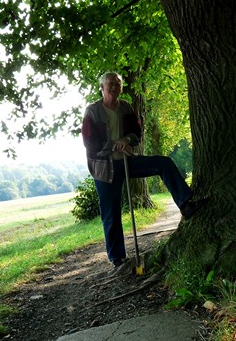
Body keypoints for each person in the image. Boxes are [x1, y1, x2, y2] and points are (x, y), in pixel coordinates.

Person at [81, 71, 207, 267]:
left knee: (163, 163)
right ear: (102, 88)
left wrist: (127, 140)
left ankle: (185, 203)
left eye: (117, 84)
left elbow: (136, 132)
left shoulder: (126, 108)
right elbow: (90, 142)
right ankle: (118, 259)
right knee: (111, 213)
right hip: (105, 168)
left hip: (127, 161)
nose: (114, 87)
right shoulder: (92, 111)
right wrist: (115, 143)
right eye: (110, 84)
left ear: (121, 88)